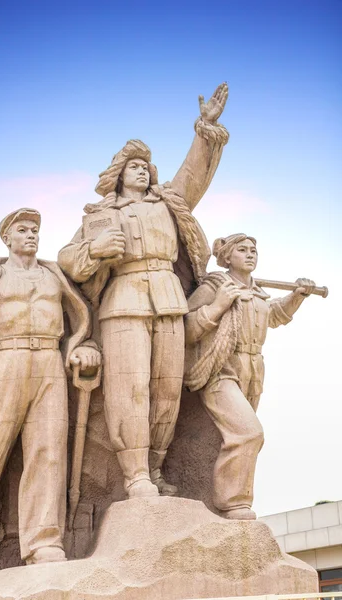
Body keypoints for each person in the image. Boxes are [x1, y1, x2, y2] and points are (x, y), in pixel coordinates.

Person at [58, 84, 229, 499]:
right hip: (124, 301)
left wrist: (204, 129)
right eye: (132, 166)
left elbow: (193, 175)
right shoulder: (101, 215)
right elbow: (68, 259)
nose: (141, 170)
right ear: (118, 174)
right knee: (129, 389)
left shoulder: (169, 204)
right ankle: (134, 474)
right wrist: (96, 251)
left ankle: (154, 469)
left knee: (165, 389)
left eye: (145, 167)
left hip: (168, 299)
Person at [0, 208, 100, 576]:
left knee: (48, 451)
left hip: (48, 360)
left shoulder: (53, 275)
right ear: (7, 238)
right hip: (6, 360)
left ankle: (44, 542)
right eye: (23, 230)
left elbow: (79, 316)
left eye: (35, 230)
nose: (31, 235)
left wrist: (82, 344)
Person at [184, 233, 315, 520]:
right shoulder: (215, 286)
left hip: (254, 369)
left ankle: (223, 500)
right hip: (221, 369)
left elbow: (274, 315)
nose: (250, 254)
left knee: (234, 437)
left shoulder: (258, 293)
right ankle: (233, 503)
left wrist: (297, 297)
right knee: (248, 432)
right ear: (227, 257)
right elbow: (186, 330)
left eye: (253, 250)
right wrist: (217, 305)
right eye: (242, 249)